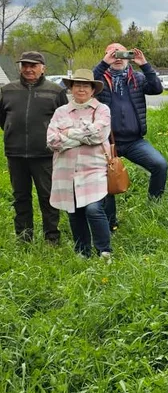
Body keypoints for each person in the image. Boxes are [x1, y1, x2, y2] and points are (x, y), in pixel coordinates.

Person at [93, 44, 167, 230]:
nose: (118, 58)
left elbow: (157, 89)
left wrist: (145, 65)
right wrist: (103, 63)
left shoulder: (137, 78)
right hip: (107, 143)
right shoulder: (100, 79)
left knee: (159, 165)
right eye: (113, 54)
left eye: (122, 54)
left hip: (134, 141)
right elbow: (86, 83)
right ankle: (110, 223)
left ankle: (154, 206)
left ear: (128, 57)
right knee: (107, 180)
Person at [0, 51, 68, 243]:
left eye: (33, 65)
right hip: (16, 154)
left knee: (48, 198)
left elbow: (64, 121)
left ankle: (51, 238)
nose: (28, 69)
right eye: (24, 65)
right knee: (20, 198)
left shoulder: (56, 91)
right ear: (20, 67)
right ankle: (24, 238)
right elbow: (3, 119)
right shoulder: (8, 90)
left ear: (43, 68)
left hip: (45, 155)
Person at [46, 70, 113, 258]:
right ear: (71, 88)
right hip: (66, 171)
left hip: (94, 168)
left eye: (85, 86)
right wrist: (83, 135)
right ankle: (82, 251)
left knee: (93, 208)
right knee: (74, 211)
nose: (81, 89)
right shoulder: (61, 112)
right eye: (77, 85)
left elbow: (99, 135)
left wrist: (67, 133)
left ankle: (104, 251)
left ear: (93, 90)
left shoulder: (102, 110)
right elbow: (51, 141)